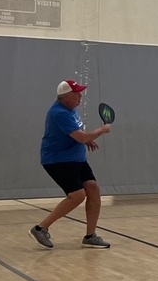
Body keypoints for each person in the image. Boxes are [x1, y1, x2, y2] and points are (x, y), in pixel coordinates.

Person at [29, 79, 112, 249]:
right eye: (77, 93)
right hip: (58, 160)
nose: (80, 96)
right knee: (77, 195)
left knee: (93, 189)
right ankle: (40, 228)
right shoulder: (60, 113)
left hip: (76, 158)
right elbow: (81, 136)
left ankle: (90, 236)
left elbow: (77, 134)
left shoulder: (71, 109)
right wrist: (100, 131)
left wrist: (86, 140)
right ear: (66, 96)